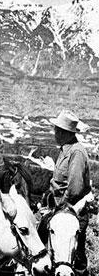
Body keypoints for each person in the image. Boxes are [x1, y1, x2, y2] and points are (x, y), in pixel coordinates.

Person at [49, 110, 91, 276]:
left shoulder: (76, 152)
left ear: (64, 133)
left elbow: (74, 188)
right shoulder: (65, 150)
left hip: (71, 211)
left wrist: (59, 209)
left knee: (74, 259)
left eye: (57, 130)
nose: (55, 133)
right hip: (62, 209)